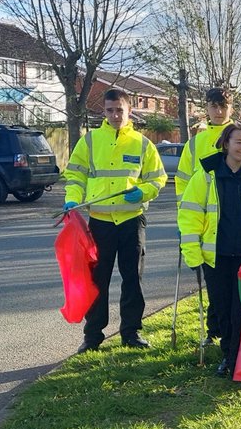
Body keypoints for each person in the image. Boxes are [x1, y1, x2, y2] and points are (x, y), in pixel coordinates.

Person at [63, 87, 167, 352]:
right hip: (100, 222)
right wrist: (73, 199)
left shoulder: (143, 143)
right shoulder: (89, 141)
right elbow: (75, 175)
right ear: (103, 111)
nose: (115, 115)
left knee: (133, 278)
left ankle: (131, 332)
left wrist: (143, 192)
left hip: (132, 221)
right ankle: (93, 336)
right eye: (109, 110)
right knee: (98, 280)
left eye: (119, 110)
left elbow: (158, 178)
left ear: (129, 110)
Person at [177, 122, 241, 377]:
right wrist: (192, 251)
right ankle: (229, 353)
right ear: (226, 144)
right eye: (238, 142)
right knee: (222, 310)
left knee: (240, 311)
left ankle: (235, 360)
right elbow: (190, 215)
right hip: (216, 256)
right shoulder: (206, 175)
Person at [174, 87, 241, 344]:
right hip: (207, 228)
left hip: (238, 229)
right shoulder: (195, 142)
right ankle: (217, 332)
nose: (218, 111)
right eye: (214, 106)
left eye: (223, 106)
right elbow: (183, 183)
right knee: (217, 292)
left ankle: (230, 339)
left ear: (230, 109)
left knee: (236, 297)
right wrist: (188, 223)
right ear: (207, 108)